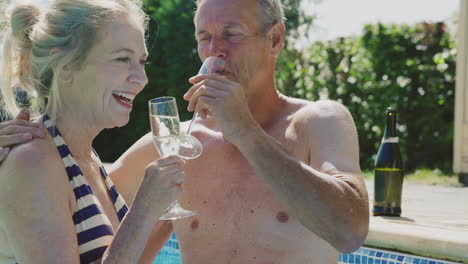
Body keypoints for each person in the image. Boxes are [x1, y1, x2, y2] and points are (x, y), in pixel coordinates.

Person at [2, 0, 370, 263]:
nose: (214, 51)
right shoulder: (174, 144)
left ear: (275, 39)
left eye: (231, 34)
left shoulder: (319, 122)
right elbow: (50, 210)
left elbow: (350, 233)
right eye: (203, 36)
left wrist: (244, 130)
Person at [0, 1, 186, 263]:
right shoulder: (32, 162)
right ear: (66, 67)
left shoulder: (84, 158)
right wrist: (142, 211)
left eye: (142, 61)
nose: (141, 78)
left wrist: (164, 214)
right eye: (123, 59)